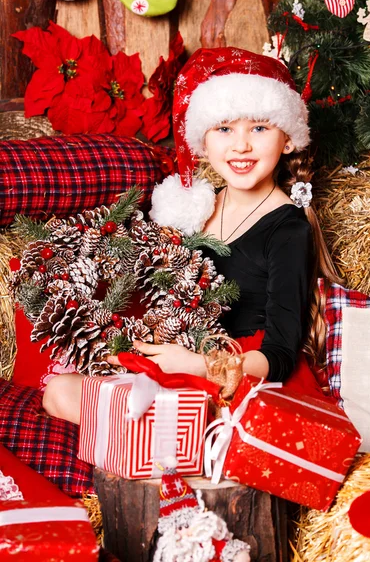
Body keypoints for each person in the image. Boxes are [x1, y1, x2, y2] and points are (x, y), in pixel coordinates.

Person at [43, 46, 339, 424]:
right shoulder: (194, 207)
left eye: (259, 127)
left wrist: (202, 365)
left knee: (174, 415)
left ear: (288, 139)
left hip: (235, 372)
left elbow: (280, 355)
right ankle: (153, 443)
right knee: (59, 393)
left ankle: (172, 454)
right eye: (224, 128)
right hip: (177, 351)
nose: (241, 145)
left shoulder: (288, 229)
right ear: (203, 140)